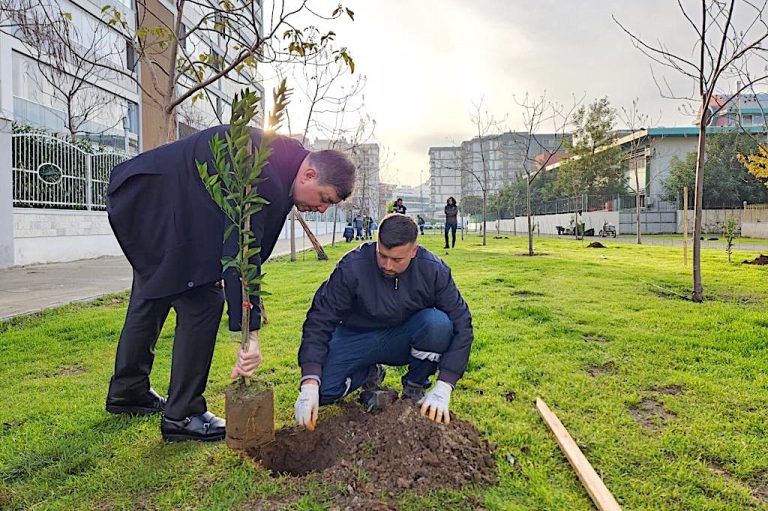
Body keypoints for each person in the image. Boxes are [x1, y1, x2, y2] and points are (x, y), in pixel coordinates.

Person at [104, 125, 355, 442]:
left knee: (151, 293)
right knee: (203, 302)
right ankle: (184, 415)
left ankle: (128, 391)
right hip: (154, 202)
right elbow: (244, 248)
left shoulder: (282, 158)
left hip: (152, 204)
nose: (321, 208)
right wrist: (250, 333)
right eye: (324, 198)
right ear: (308, 175)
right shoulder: (263, 173)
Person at [293, 213, 474, 429]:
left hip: (403, 339)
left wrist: (445, 384)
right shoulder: (353, 267)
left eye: (397, 259)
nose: (387, 265)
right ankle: (370, 373)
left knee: (438, 325)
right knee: (324, 390)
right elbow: (320, 317)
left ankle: (415, 386)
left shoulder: (433, 270)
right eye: (382, 255)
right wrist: (310, 381)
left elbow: (462, 324)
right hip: (357, 337)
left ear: (413, 251)